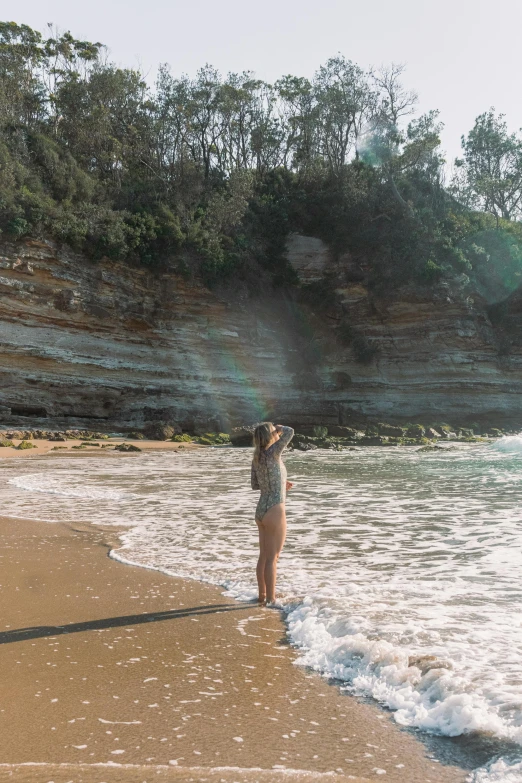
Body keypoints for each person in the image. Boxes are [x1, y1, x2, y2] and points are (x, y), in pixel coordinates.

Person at [251, 422, 294, 604]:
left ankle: (262, 595)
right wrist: (279, 429)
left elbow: (255, 485)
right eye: (274, 433)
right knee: (273, 558)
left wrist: (281, 484)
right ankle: (271, 599)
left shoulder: (257, 458)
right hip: (275, 508)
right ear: (271, 436)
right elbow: (290, 431)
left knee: (264, 556)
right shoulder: (273, 452)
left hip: (261, 509)